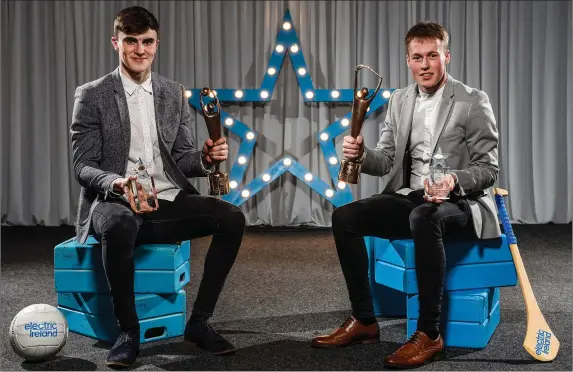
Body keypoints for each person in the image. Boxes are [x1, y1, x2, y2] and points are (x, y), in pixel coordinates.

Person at [312, 21, 500, 368]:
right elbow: (385, 161)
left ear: (447, 56)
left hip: (458, 202)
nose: (424, 65)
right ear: (408, 61)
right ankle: (365, 320)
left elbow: (489, 170)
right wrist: (361, 154)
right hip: (413, 195)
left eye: (432, 56)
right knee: (345, 217)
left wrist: (453, 181)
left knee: (423, 217)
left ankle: (429, 334)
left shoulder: (472, 101)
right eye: (417, 57)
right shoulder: (400, 99)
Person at [70, 6, 246, 367]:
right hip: (114, 200)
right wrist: (117, 182)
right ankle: (128, 333)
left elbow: (182, 158)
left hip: (165, 197)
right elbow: (83, 166)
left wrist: (206, 159)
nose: (140, 50)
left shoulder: (172, 92)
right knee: (119, 226)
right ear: (115, 43)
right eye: (131, 41)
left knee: (232, 218)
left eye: (147, 41)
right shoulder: (92, 94)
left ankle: (199, 323)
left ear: (157, 43)